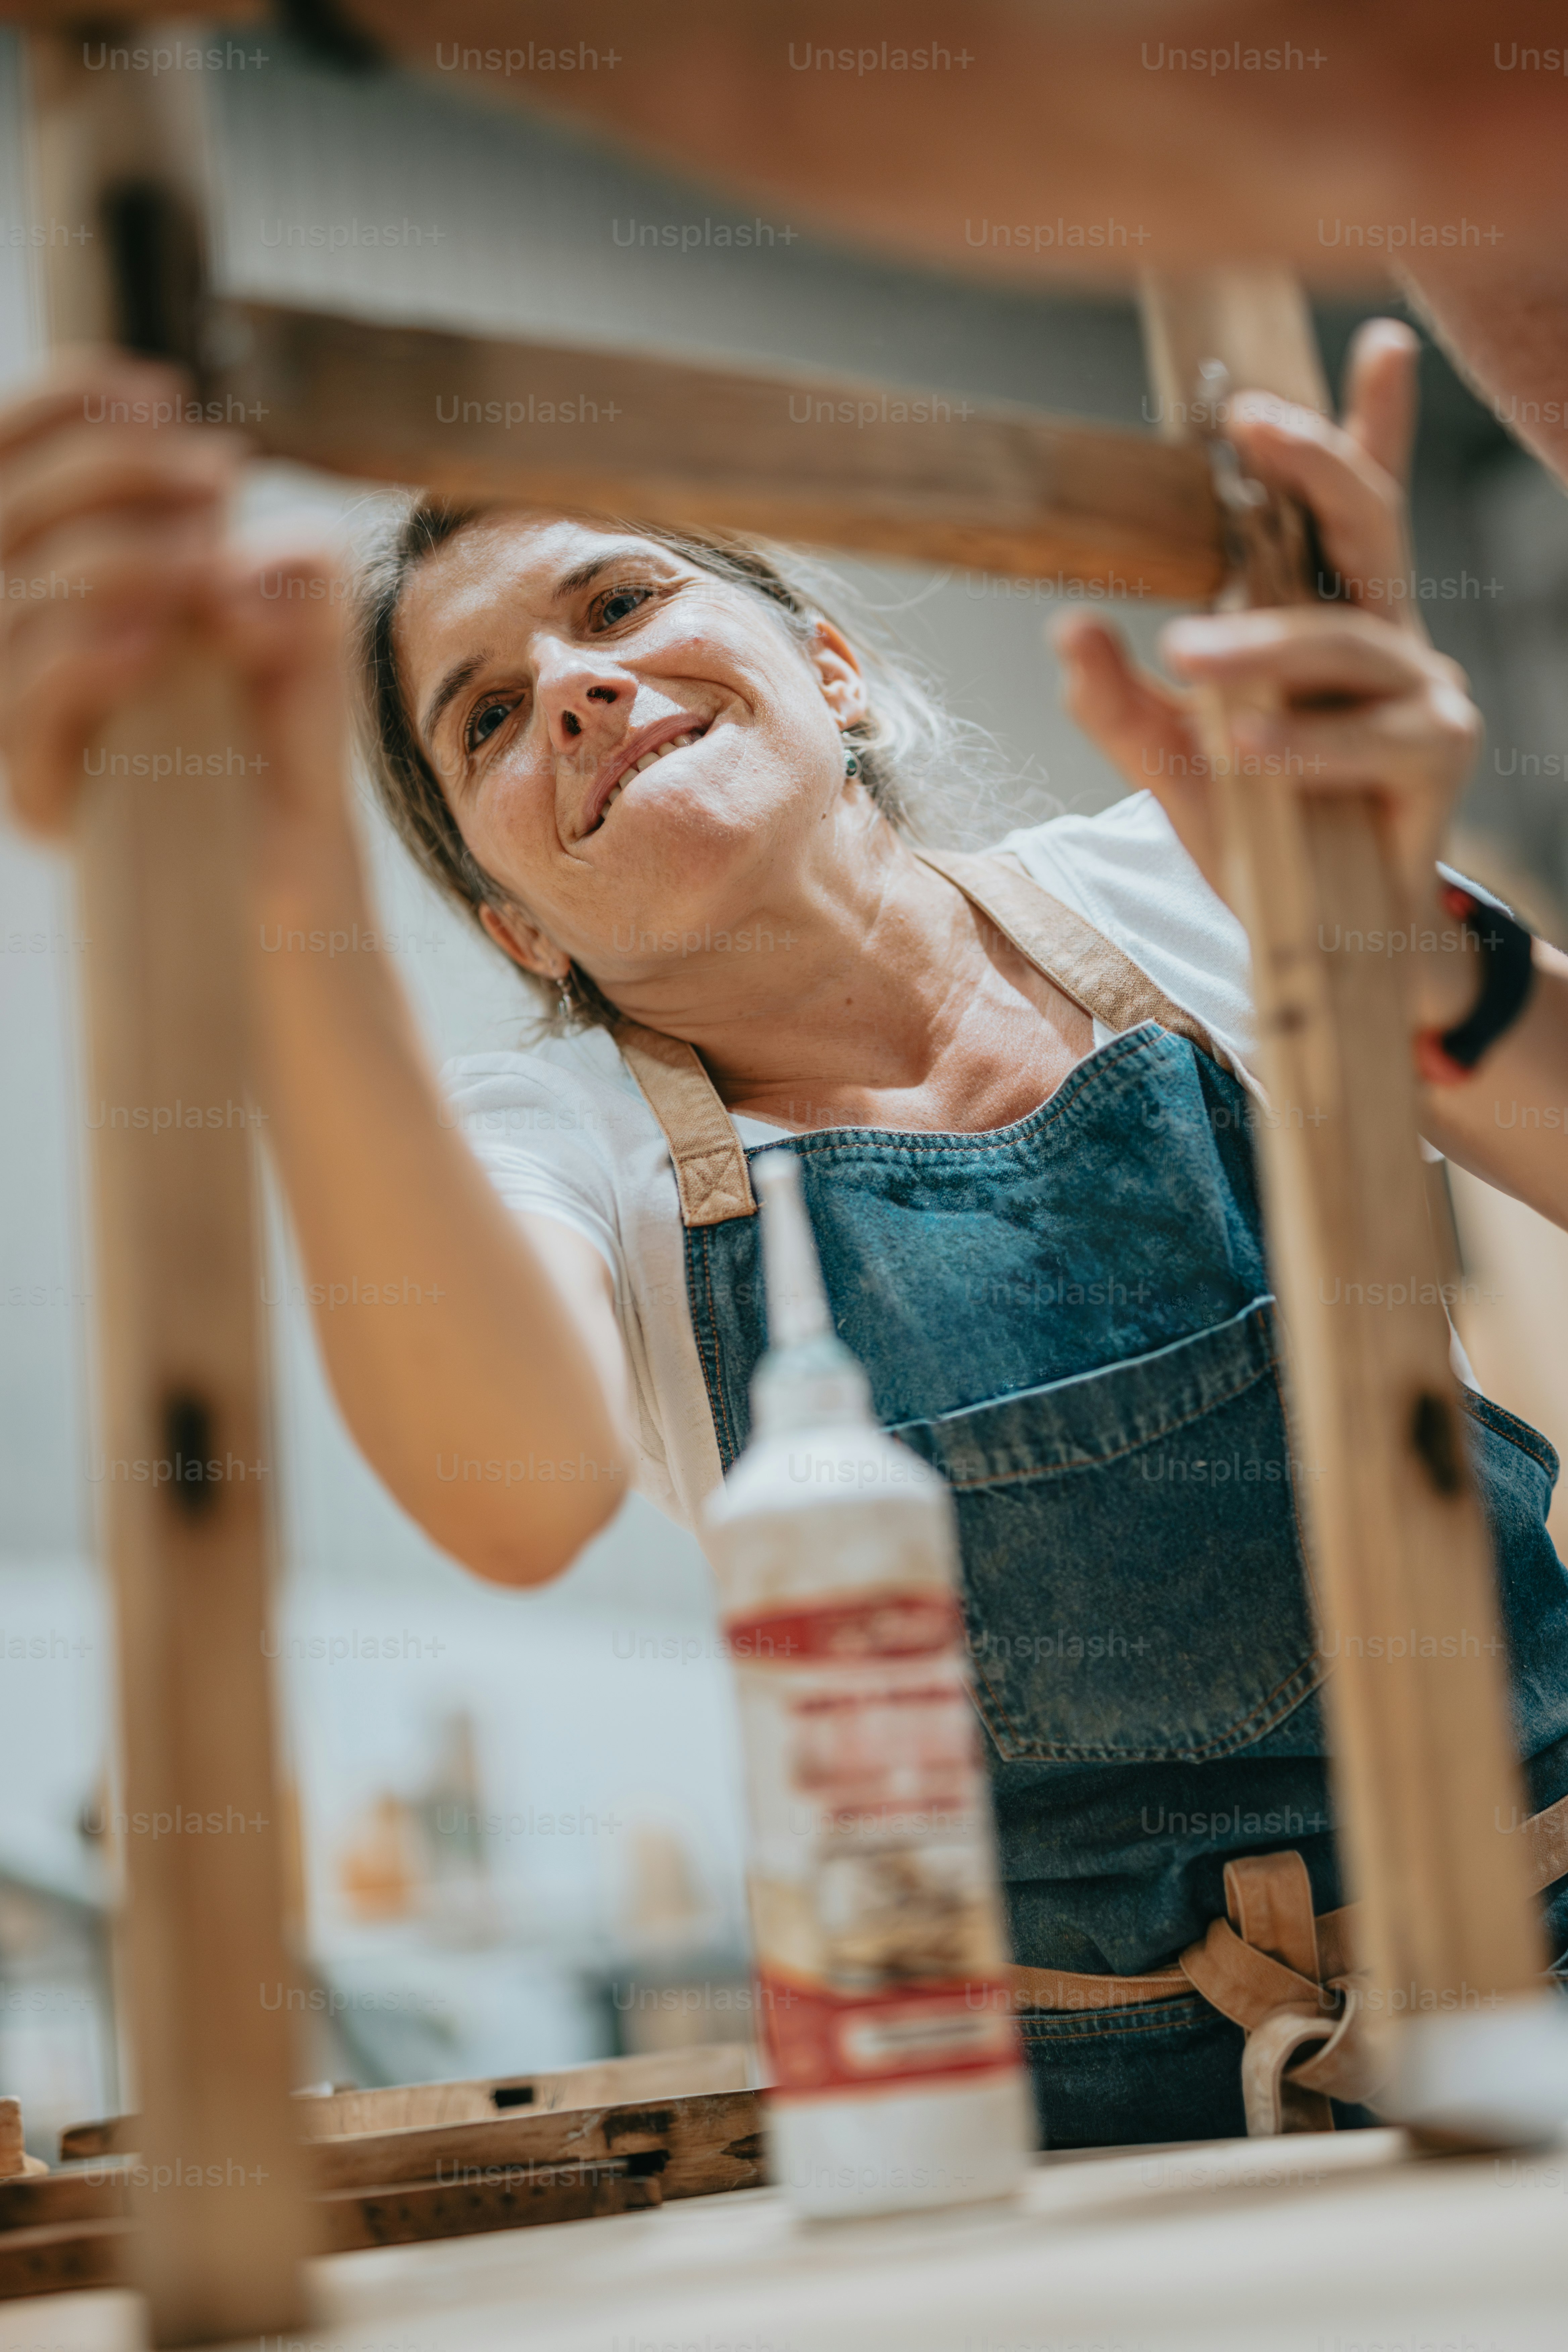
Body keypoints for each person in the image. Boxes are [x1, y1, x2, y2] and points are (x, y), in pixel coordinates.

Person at [4, 321, 1567, 2147]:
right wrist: (283, 914)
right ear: (521, 930)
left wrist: (1398, 927)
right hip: (1074, 2131)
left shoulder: (1191, 873)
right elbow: (514, 1494)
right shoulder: (562, 1139)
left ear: (834, 672)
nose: (573, 690)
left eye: (617, 604)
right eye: (486, 719)